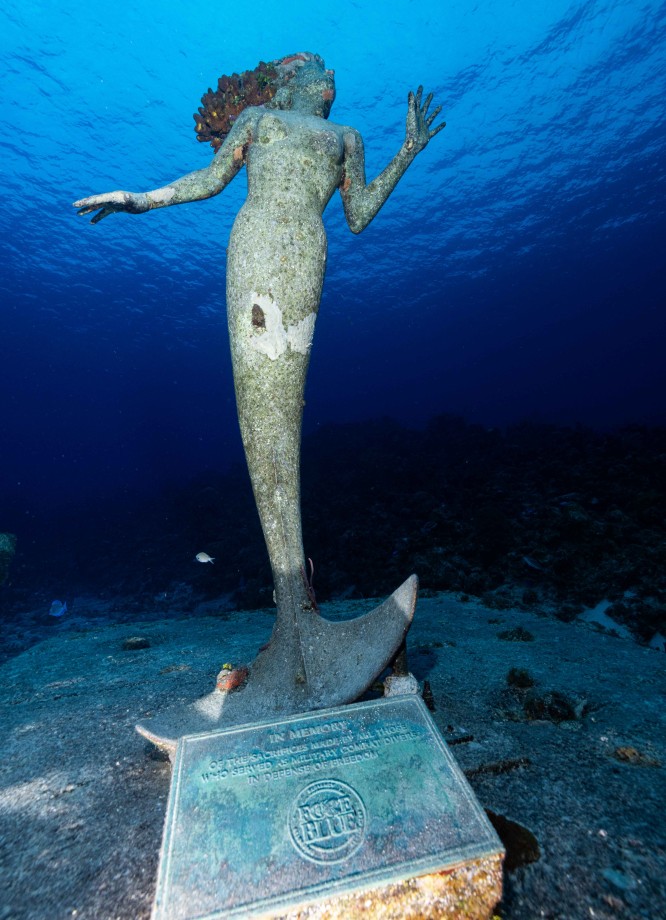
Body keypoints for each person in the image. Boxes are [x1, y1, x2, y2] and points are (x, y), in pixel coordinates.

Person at [74, 52, 445, 738]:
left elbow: (359, 214)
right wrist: (139, 199)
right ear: (289, 83)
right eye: (316, 68)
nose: (330, 76)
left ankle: (300, 622)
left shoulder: (348, 137)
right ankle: (291, 617)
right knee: (260, 414)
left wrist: (408, 152)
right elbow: (210, 181)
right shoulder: (260, 118)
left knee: (284, 414)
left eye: (331, 70)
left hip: (306, 249)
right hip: (254, 246)